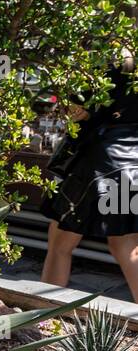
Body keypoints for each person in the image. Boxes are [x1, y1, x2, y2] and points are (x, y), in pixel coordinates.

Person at [41, 54, 138, 301]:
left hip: (102, 161)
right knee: (126, 245)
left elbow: (76, 111)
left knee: (60, 243)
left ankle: (43, 317)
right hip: (132, 160)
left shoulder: (107, 59)